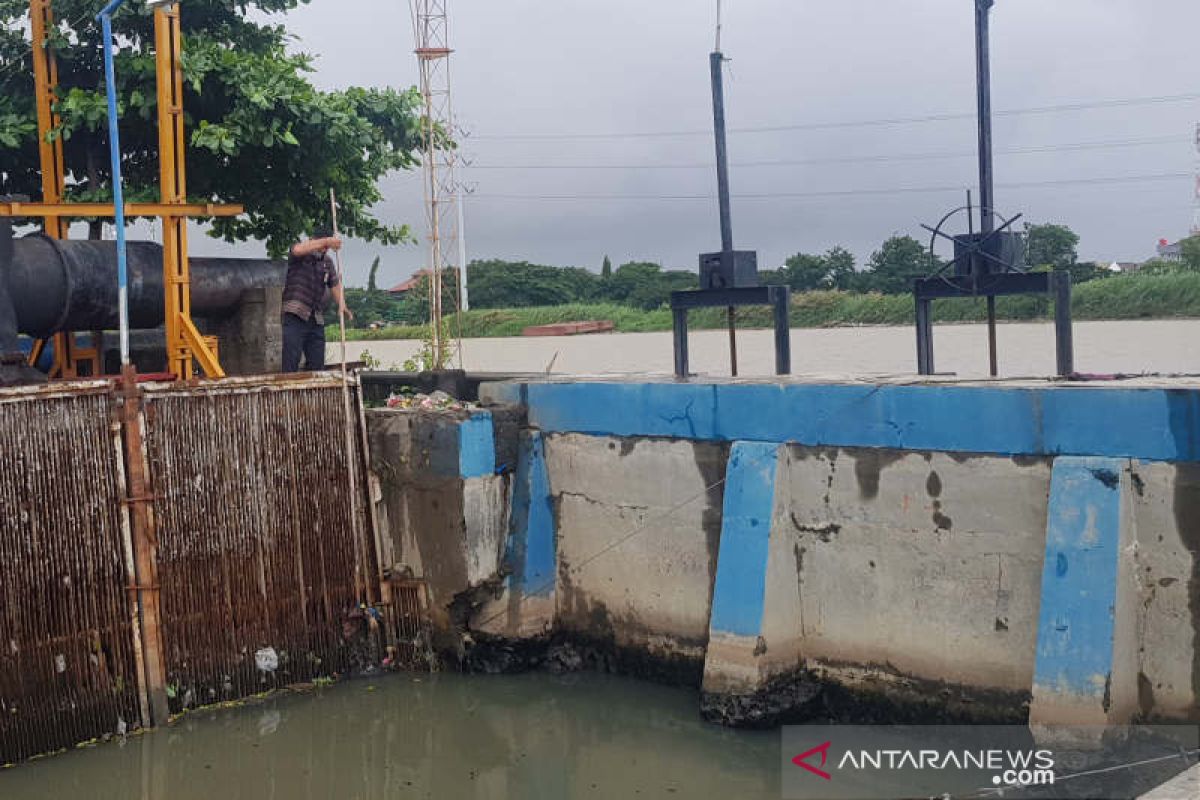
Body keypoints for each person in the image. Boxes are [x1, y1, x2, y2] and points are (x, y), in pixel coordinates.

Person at [281, 227, 353, 372]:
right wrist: (325, 241)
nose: (324, 249)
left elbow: (335, 284)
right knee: (291, 359)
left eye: (327, 247)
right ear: (314, 240)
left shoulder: (327, 262)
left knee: (317, 362)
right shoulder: (301, 254)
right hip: (296, 313)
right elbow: (297, 250)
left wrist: (342, 305)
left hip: (315, 317)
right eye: (323, 246)